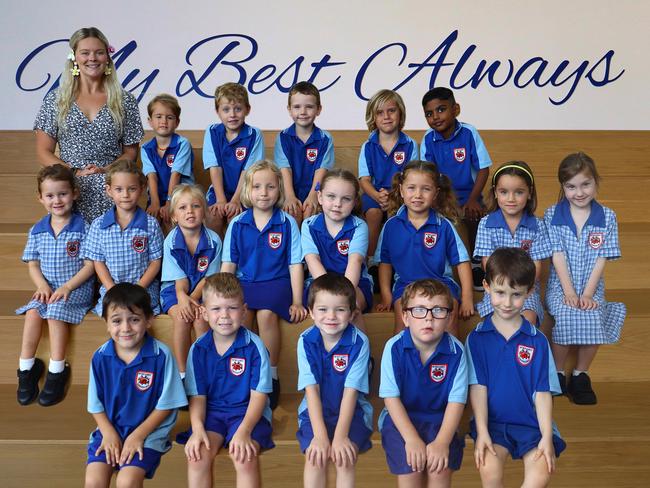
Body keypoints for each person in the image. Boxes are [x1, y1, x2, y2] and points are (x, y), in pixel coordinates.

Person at [466, 248, 566, 488]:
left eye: (516, 294)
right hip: (494, 424)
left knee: (541, 473)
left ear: (530, 292)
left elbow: (542, 393)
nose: (507, 303)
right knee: (489, 472)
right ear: (487, 286)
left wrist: (545, 436)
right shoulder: (477, 338)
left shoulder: (537, 340)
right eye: (500, 292)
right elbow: (478, 388)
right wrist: (482, 433)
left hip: (531, 423)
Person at [34, 26, 144, 223]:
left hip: (113, 187)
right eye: (85, 53)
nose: (92, 58)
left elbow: (131, 153)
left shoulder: (125, 100)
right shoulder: (55, 100)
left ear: (107, 58)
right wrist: (74, 172)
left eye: (99, 52)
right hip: (69, 189)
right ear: (74, 57)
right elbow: (43, 152)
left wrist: (107, 170)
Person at [221, 160, 307, 409]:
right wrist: (222, 300)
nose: (264, 192)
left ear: (279, 189)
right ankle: (243, 372)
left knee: (267, 315)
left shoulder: (286, 222)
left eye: (270, 186)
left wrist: (298, 300)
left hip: (276, 283)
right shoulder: (237, 223)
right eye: (257, 186)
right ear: (247, 190)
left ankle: (271, 374)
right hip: (245, 283)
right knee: (241, 317)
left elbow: (294, 265)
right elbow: (228, 265)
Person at [84, 283, 187, 488]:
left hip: (149, 433)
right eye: (116, 321)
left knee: (127, 481)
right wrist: (109, 433)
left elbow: (167, 404)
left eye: (134, 319)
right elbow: (96, 405)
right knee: (93, 481)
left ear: (149, 320)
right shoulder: (100, 356)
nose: (125, 328)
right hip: (110, 429)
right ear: (106, 323)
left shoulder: (161, 355)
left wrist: (137, 436)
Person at [544, 152, 626, 404]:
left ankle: (580, 374)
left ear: (596, 182)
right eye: (571, 186)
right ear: (563, 187)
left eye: (585, 184)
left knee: (593, 316)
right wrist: (569, 292)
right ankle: (557, 372)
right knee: (566, 316)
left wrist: (588, 294)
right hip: (560, 286)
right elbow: (556, 255)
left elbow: (602, 258)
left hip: (592, 286)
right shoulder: (552, 215)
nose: (579, 192)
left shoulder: (608, 217)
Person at [182, 273, 274, 488]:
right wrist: (197, 429)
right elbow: (198, 396)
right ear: (204, 313)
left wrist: (244, 431)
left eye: (232, 308)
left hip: (247, 414)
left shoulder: (255, 347)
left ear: (243, 311)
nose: (224, 315)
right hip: (212, 415)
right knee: (197, 456)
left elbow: (259, 397)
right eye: (216, 309)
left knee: (245, 457)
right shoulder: (198, 349)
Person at [16, 164, 95, 406]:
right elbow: (33, 264)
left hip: (76, 288)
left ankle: (57, 369)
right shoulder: (38, 230)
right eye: (50, 195)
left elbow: (91, 264)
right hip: (48, 288)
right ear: (40, 198)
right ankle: (26, 368)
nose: (57, 200)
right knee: (32, 312)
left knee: (55, 313)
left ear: (74, 193)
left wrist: (68, 287)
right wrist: (41, 286)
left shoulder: (84, 227)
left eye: (62, 194)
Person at [379, 279, 467, 487]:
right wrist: (411, 439)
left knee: (440, 471)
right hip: (401, 420)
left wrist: (442, 442)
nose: (428, 318)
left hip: (440, 420)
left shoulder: (457, 351)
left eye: (438, 310)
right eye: (419, 310)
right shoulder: (393, 348)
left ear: (449, 318)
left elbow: (457, 402)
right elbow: (390, 399)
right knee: (412, 470)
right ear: (405, 317)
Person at [375, 161, 473, 334]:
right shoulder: (391, 226)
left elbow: (462, 262)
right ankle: (404, 360)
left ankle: (452, 360)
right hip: (406, 285)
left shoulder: (444, 225)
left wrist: (467, 297)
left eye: (426, 189)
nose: (418, 195)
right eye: (411, 188)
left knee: (449, 321)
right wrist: (386, 295)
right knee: (401, 326)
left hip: (441, 283)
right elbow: (385, 263)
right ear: (401, 190)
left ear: (436, 193)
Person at [296, 273, 373, 488]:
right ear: (311, 312)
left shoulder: (359, 342)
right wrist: (320, 436)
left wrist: (340, 437)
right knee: (315, 458)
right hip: (314, 412)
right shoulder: (305, 341)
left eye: (340, 309)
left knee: (344, 458)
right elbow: (311, 390)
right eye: (322, 309)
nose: (331, 316)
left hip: (353, 411)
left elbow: (351, 392)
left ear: (351, 313)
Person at [420, 87, 492, 289]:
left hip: (469, 193)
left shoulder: (469, 133)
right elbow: (428, 177)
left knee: (472, 213)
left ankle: (476, 264)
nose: (435, 117)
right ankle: (449, 266)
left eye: (441, 109)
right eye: (429, 113)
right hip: (441, 195)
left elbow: (484, 169)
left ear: (456, 109)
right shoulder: (427, 139)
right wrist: (440, 202)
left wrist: (472, 199)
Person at [474, 161, 551, 327]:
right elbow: (487, 263)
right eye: (504, 192)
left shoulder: (537, 225)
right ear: (495, 192)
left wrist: (518, 286)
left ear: (529, 193)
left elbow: (537, 267)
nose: (511, 199)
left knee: (527, 319)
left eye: (519, 192)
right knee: (493, 324)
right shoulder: (486, 224)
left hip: (526, 289)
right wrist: (504, 286)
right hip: (497, 288)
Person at [83, 160, 163, 316]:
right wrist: (112, 289)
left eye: (131, 189)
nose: (125, 195)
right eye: (119, 189)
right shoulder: (98, 225)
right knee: (116, 313)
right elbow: (98, 262)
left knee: (135, 312)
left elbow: (155, 262)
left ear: (141, 189)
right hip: (112, 288)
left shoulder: (150, 224)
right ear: (109, 190)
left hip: (143, 288)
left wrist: (138, 289)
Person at [160, 184, 222, 377]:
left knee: (202, 319)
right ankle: (183, 373)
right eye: (182, 207)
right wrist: (183, 298)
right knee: (181, 317)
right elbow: (178, 280)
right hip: (174, 290)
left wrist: (193, 298)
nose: (189, 212)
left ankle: (203, 371)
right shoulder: (170, 240)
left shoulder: (213, 240)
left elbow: (210, 278)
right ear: (173, 216)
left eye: (195, 206)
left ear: (204, 212)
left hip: (204, 290)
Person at [301, 169, 373, 330]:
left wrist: (343, 296)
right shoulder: (308, 225)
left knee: (352, 307)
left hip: (354, 283)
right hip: (319, 282)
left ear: (355, 202)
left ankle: (361, 353)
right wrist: (329, 295)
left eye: (346, 199)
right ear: (319, 197)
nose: (337, 204)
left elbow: (354, 262)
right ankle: (323, 353)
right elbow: (312, 260)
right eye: (331, 196)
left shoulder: (359, 226)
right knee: (323, 309)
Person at [358, 89, 418, 261]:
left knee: (397, 213)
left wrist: (394, 195)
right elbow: (364, 180)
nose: (386, 116)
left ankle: (396, 259)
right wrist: (377, 196)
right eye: (380, 113)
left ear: (400, 113)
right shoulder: (368, 146)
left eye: (391, 111)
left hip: (401, 193)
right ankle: (370, 260)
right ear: (373, 118)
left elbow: (411, 178)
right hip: (373, 193)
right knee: (374, 213)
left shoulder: (410, 144)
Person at [202, 82, 264, 234]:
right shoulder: (212, 131)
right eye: (226, 109)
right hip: (219, 191)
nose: (232, 115)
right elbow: (215, 168)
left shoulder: (254, 134)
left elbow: (248, 171)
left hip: (244, 191)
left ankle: (234, 257)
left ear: (247, 110)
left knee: (235, 217)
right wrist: (221, 200)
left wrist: (236, 200)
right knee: (213, 216)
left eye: (238, 109)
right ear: (218, 111)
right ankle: (214, 256)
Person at [275, 81, 334, 225]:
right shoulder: (283, 137)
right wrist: (289, 197)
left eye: (309, 107)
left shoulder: (325, 138)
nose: (303, 112)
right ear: (289, 109)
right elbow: (285, 170)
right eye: (297, 107)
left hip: (315, 192)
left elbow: (321, 171)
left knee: (309, 214)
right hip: (289, 192)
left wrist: (313, 196)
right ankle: (293, 248)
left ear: (318, 109)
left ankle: (309, 247)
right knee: (292, 213)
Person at [141, 93, 194, 233]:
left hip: (181, 196)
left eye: (169, 117)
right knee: (149, 224)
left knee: (171, 221)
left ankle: (176, 252)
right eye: (158, 117)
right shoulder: (146, 148)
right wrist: (155, 203)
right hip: (157, 196)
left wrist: (170, 202)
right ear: (150, 121)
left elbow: (175, 175)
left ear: (177, 122)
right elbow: (151, 177)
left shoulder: (182, 144)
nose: (163, 121)